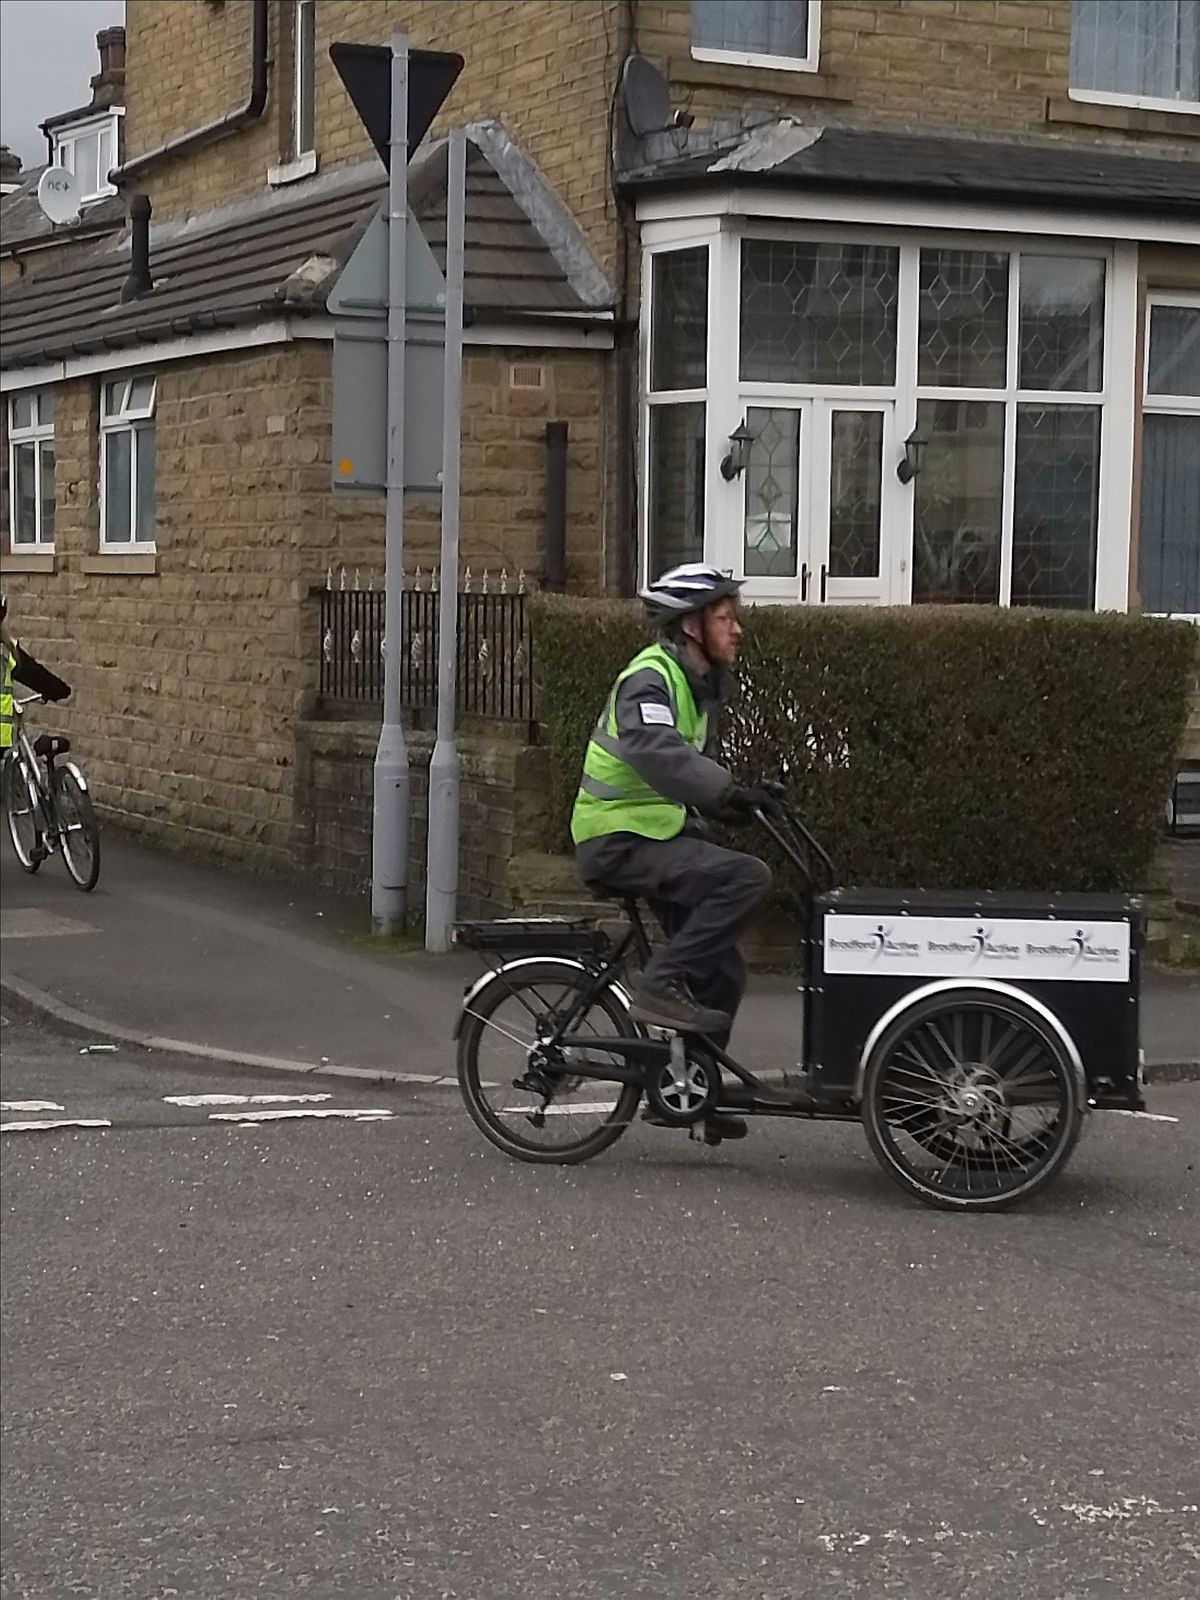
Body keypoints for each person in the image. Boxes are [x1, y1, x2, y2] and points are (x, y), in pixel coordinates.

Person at [570, 564, 783, 1134]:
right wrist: (723, 790)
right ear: (691, 625)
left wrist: (741, 799)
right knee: (748, 878)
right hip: (616, 838)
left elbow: (688, 773)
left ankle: (690, 1092)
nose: (737, 630)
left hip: (652, 835)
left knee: (724, 971)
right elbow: (661, 753)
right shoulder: (650, 678)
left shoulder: (696, 684)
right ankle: (658, 983)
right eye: (724, 618)